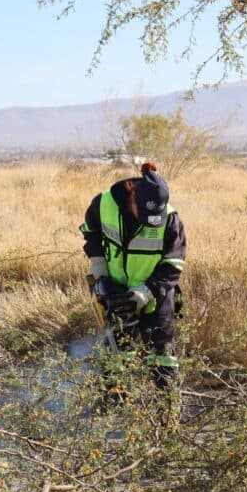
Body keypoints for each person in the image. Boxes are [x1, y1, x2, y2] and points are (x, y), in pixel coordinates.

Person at [80, 162, 186, 389]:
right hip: (116, 295)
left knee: (163, 360)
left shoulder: (170, 219)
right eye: (146, 214)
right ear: (133, 195)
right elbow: (92, 236)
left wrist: (145, 292)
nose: (150, 221)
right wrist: (101, 276)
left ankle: (167, 416)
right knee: (115, 360)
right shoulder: (102, 205)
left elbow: (173, 266)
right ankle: (115, 413)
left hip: (156, 296)